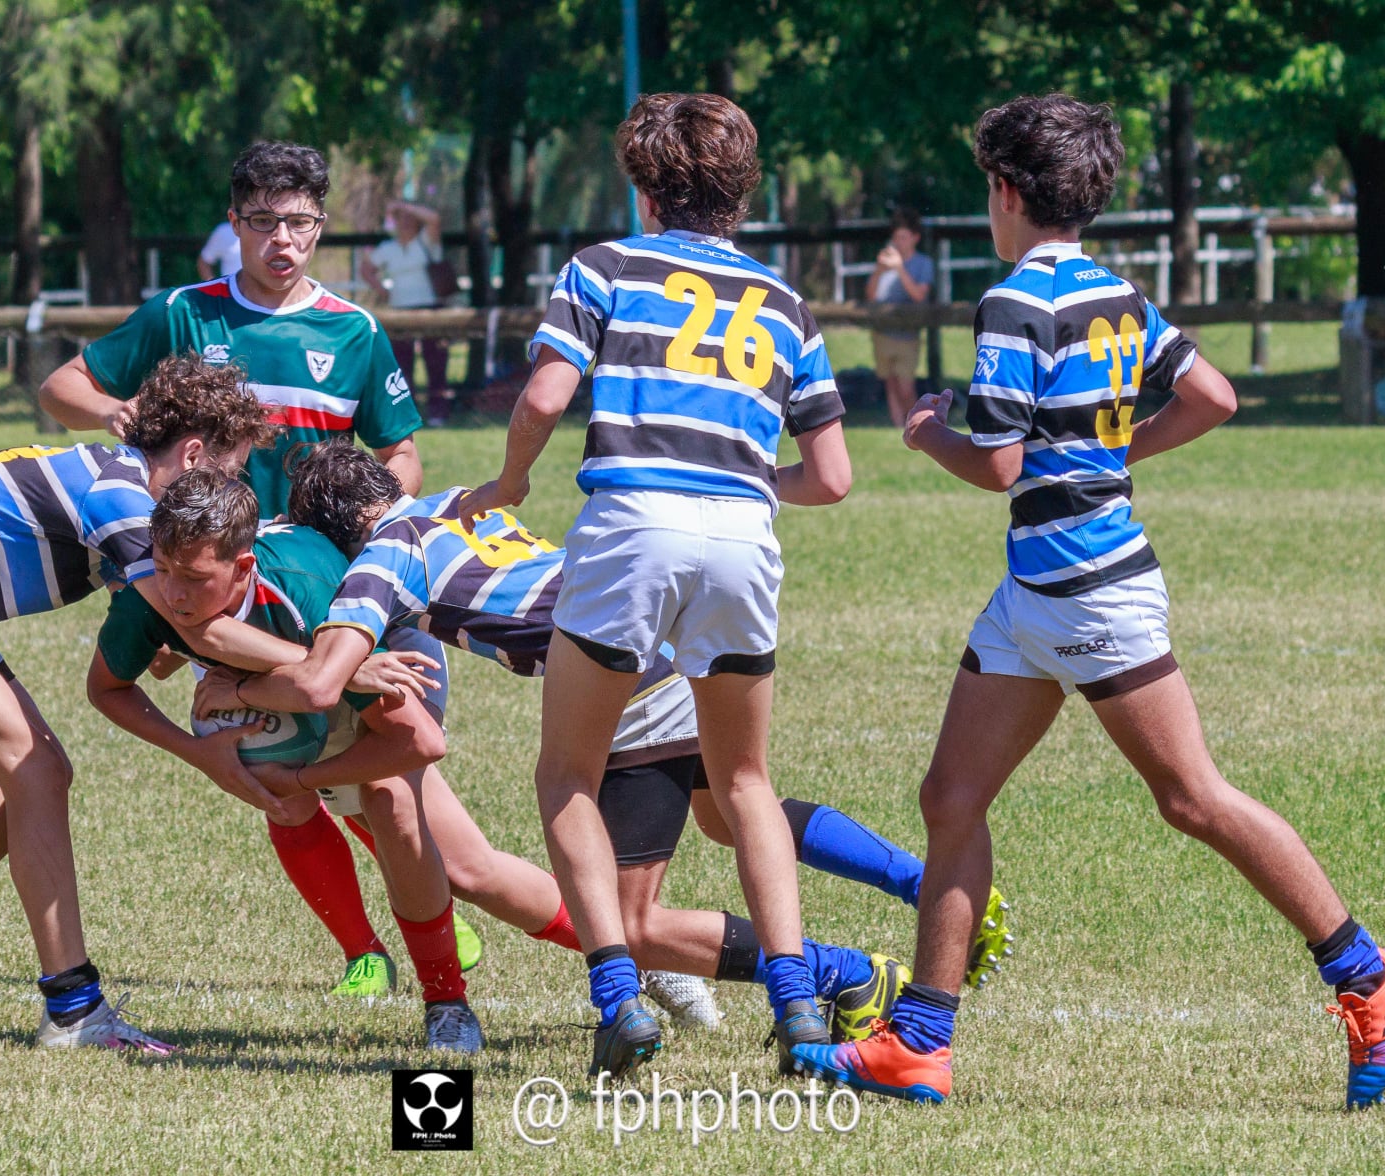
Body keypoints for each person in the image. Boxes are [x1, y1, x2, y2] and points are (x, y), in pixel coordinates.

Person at [792, 94, 1385, 1111]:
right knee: (950, 798)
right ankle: (919, 1042)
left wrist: (927, 435)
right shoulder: (1118, 295)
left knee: (1193, 799)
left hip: (1089, 593)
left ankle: (1367, 971)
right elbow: (1213, 396)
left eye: (986, 188)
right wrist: (1113, 455)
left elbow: (998, 464)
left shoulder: (1013, 303)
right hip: (1035, 594)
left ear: (1006, 192)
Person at [196, 444, 948, 1060]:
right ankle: (919, 883)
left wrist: (240, 684)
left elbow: (323, 678)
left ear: (340, 532)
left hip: (624, 688)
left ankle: (850, 973)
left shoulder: (384, 555)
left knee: (631, 922)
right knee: (732, 811)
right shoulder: (455, 503)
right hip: (669, 654)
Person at [456, 91, 852, 1080]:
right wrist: (738, 479)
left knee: (567, 774)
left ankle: (618, 1001)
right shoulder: (785, 301)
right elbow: (833, 476)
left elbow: (545, 395)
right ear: (742, 191)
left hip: (630, 530)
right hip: (743, 541)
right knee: (746, 781)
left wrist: (509, 483)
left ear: (644, 188)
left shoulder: (604, 267)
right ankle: (799, 1007)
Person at [0, 355, 282, 1052]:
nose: (232, 487)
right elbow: (198, 630)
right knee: (36, 771)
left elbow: (159, 635)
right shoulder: (124, 497)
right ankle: (72, 1009)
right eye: (232, 468)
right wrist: (331, 665)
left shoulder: (122, 488)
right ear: (192, 455)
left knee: (31, 778)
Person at [84, 468, 483, 1052]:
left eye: (193, 579)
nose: (173, 593)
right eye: (163, 569)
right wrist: (200, 753)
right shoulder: (155, 595)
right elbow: (106, 688)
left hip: (384, 658)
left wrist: (298, 770)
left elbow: (419, 741)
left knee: (436, 840)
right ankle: (372, 957)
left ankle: (589, 967)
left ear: (242, 567)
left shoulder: (305, 588)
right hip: (312, 681)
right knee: (284, 801)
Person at [38, 140, 424, 513]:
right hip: (192, 550)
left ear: (319, 227)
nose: (282, 238)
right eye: (263, 221)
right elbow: (58, 389)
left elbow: (403, 455)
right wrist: (111, 411)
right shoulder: (182, 312)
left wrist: (360, 514)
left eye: (299, 222)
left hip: (310, 553)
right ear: (235, 224)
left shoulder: (356, 331)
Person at [360, 200, 453, 425]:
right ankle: (406, 412)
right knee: (402, 364)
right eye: (401, 219)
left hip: (430, 308)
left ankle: (437, 412)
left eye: (410, 218)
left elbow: (434, 219)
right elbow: (366, 269)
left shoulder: (426, 241)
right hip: (400, 310)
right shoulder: (388, 248)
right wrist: (381, 289)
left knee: (435, 361)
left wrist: (403, 206)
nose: (406, 222)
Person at [865, 207, 935, 427]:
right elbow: (871, 295)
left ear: (915, 238)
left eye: (903, 237)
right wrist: (879, 269)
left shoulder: (923, 264)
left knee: (906, 385)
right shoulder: (885, 263)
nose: (898, 242)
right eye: (896, 237)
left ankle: (916, 425)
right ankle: (898, 427)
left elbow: (919, 296)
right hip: (882, 332)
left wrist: (899, 269)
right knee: (891, 383)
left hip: (908, 335)